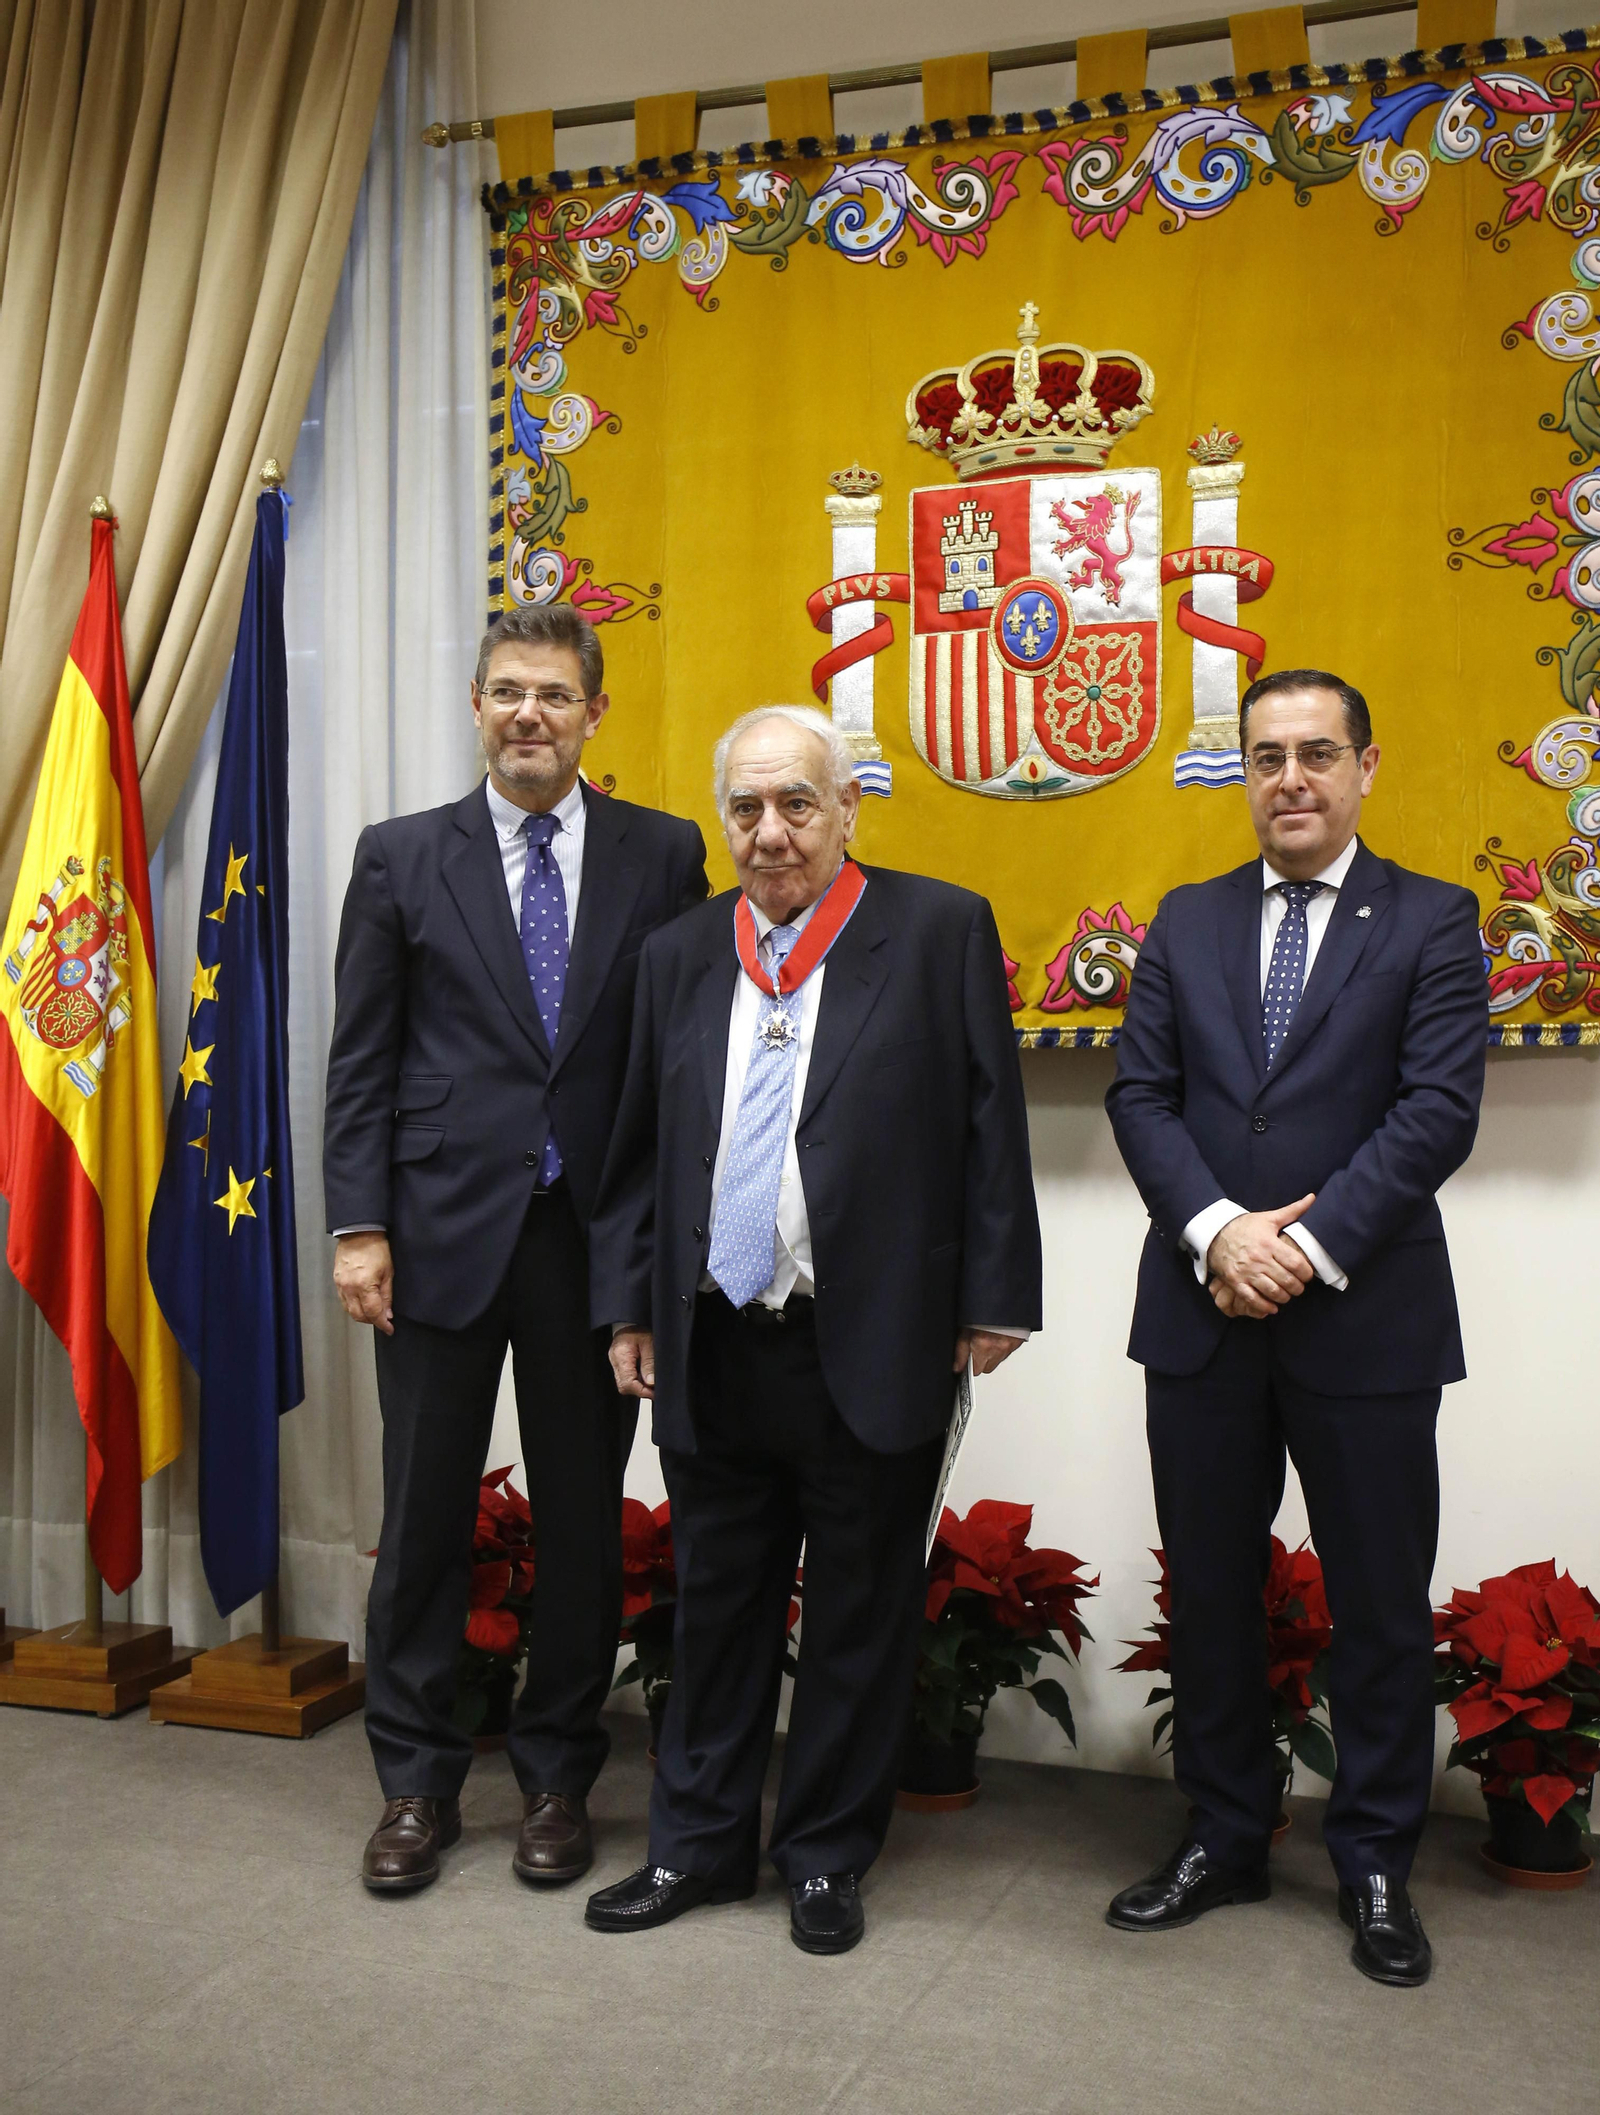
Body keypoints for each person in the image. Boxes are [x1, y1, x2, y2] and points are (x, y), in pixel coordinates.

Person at [583, 705, 1041, 1955]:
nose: (771, 833)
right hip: (716, 1338)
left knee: (856, 1615)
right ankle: (695, 1850)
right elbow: (635, 1152)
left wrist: (996, 1293)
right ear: (722, 820)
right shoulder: (680, 953)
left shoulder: (936, 929)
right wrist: (627, 1303)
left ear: (848, 810)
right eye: (746, 809)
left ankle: (827, 1856)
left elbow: (988, 1125)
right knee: (715, 1609)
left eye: (797, 805)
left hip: (872, 1334)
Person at [1103, 668, 1487, 1987]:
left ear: (1366, 767)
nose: (1291, 778)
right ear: (1245, 772)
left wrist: (1301, 1246)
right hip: (1202, 1310)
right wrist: (1221, 1231)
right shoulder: (1188, 917)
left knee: (1378, 1602)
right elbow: (1140, 1095)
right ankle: (1222, 1833)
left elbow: (1436, 1112)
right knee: (1213, 1590)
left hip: (1364, 1316)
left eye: (1318, 753)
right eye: (1267, 755)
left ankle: (1375, 1858)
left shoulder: (1433, 919)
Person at [324, 603, 708, 1895]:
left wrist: (665, 1243)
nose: (529, 713)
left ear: (595, 711)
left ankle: (556, 1773)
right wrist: (359, 1223)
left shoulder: (664, 855)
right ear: (476, 707)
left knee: (587, 1525)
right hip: (434, 1233)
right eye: (506, 691)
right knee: (424, 1515)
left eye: (553, 692)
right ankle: (416, 1783)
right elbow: (362, 1057)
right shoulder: (398, 857)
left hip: (592, 1241)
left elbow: (675, 1063)